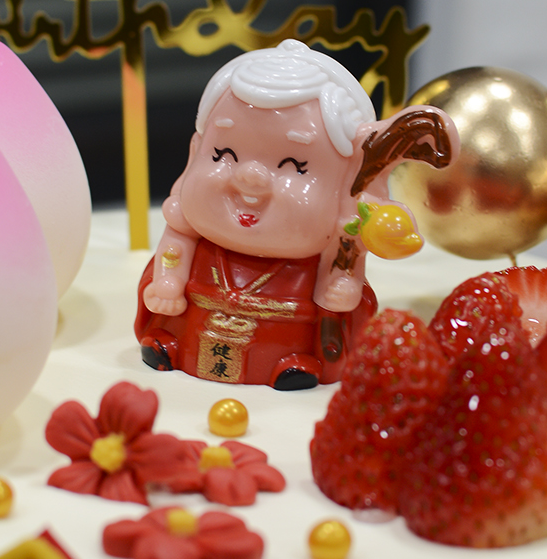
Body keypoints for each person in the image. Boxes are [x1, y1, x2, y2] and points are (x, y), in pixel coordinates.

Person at [135, 40, 454, 388]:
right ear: (195, 151)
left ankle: (294, 363)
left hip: (287, 323)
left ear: (344, 181)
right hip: (197, 319)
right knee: (169, 324)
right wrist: (168, 282)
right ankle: (171, 343)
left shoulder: (332, 240)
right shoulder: (193, 229)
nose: (250, 178)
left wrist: (342, 285)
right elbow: (173, 251)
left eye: (294, 165)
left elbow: (342, 272)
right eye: (222, 153)